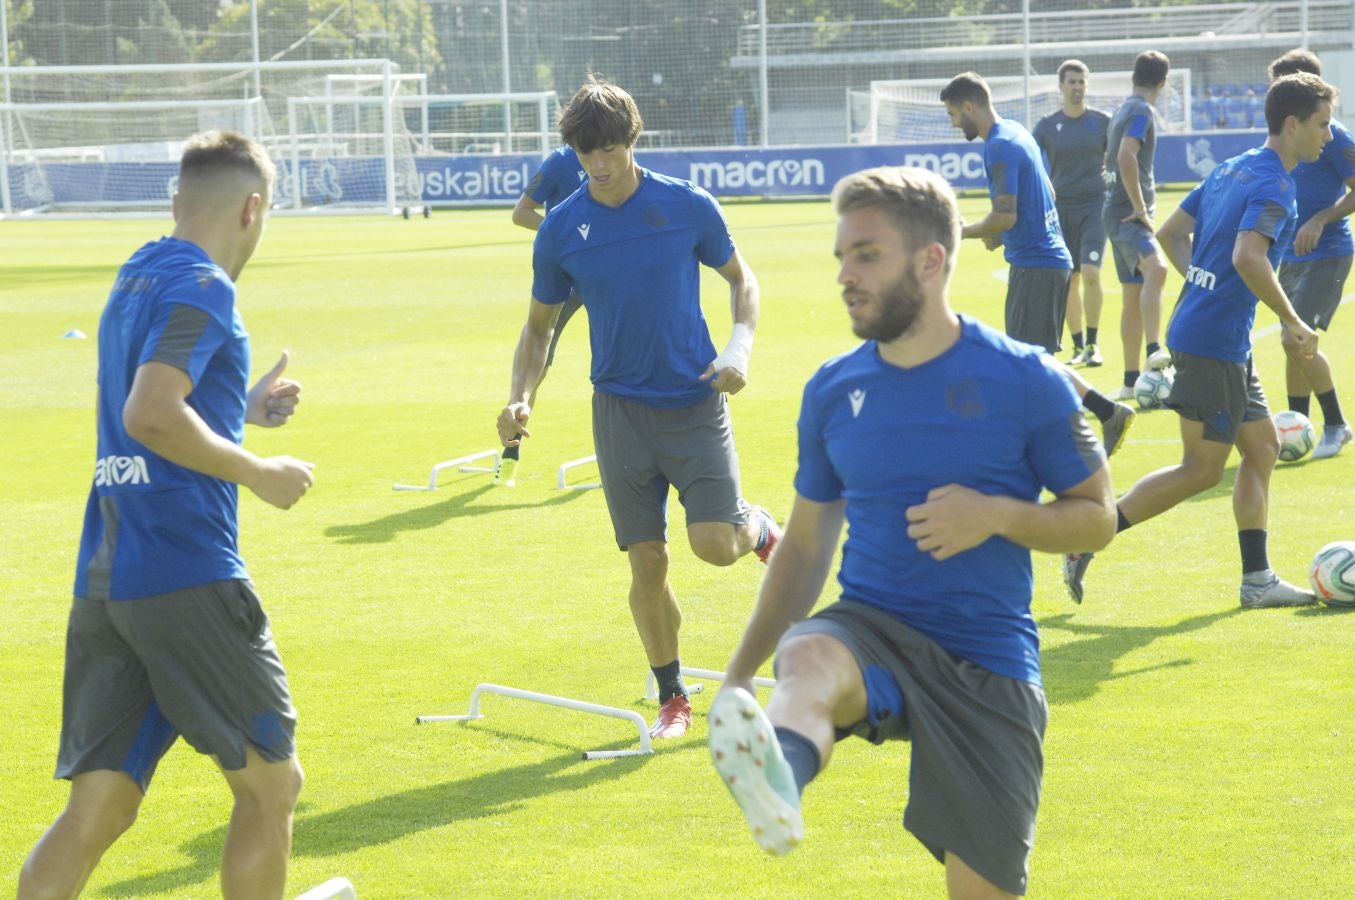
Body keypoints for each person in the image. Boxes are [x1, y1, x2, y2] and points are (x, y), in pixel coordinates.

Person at [707, 165, 1116, 898]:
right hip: (872, 630)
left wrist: (994, 514)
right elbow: (802, 549)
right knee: (806, 658)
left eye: (866, 254)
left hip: (987, 662)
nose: (844, 275)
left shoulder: (1025, 378)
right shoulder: (832, 389)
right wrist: (738, 679)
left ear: (930, 261)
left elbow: (1096, 516)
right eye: (841, 256)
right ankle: (777, 776)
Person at [18, 131, 312, 900]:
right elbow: (151, 414)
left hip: (107, 576)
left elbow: (144, 412)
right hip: (185, 570)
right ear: (253, 207)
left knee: (98, 806)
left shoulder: (136, 276)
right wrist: (259, 471)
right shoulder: (205, 287)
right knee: (270, 788)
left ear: (175, 202)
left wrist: (234, 412)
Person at [496, 77, 780, 740]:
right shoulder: (562, 228)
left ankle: (759, 529)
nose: (599, 163)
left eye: (610, 149)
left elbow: (743, 281)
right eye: (586, 151)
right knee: (646, 561)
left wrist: (738, 349)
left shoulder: (686, 206)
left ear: (633, 140)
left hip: (694, 401)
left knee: (713, 546)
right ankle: (672, 695)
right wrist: (519, 396)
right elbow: (539, 328)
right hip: (618, 412)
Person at [1065, 73, 1334, 609]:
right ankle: (1087, 535)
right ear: (1292, 123)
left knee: (1262, 447)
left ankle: (1256, 581)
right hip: (1212, 341)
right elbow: (1248, 257)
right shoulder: (1276, 184)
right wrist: (1291, 320)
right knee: (1201, 469)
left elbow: (1168, 234)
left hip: (1214, 333)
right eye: (1323, 124)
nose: (1328, 136)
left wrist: (1202, 284)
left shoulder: (1231, 167)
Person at [942, 71, 1137, 455]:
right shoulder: (1015, 131)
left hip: (1036, 266)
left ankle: (1076, 431)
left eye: (953, 113)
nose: (952, 122)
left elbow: (1006, 215)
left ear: (969, 107)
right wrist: (1002, 233)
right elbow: (1044, 188)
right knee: (1033, 362)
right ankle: (1097, 417)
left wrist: (959, 232)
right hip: (1045, 260)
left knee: (1026, 365)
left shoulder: (998, 147)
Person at [1268, 49, 1355, 459]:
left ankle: (1336, 424)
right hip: (1291, 254)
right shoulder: (1283, 138)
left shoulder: (1334, 136)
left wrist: (1321, 218)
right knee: (1292, 342)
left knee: (1294, 336)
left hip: (1328, 252)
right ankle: (1295, 425)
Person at [502, 145, 590, 481]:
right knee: (540, 358)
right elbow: (521, 212)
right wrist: (559, 235)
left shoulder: (615, 158)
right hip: (564, 273)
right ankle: (512, 446)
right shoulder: (558, 162)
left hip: (606, 271)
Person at [1103, 51, 1174, 400]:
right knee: (1157, 269)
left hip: (1111, 212)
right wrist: (1140, 207)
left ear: (1134, 76)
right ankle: (1153, 351)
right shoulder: (1142, 110)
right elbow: (1125, 156)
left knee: (1132, 295)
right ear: (1163, 82)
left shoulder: (1121, 108)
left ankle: (1131, 382)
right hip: (1126, 213)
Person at [1034, 60, 1111, 367]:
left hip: (1095, 206)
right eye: (1072, 82)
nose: (1077, 87)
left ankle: (1093, 345)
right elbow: (1031, 165)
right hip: (1060, 208)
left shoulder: (1103, 122)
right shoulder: (1047, 126)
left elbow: (1120, 159)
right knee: (1069, 279)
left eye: (1081, 81)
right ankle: (1078, 346)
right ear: (1061, 86)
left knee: (1091, 272)